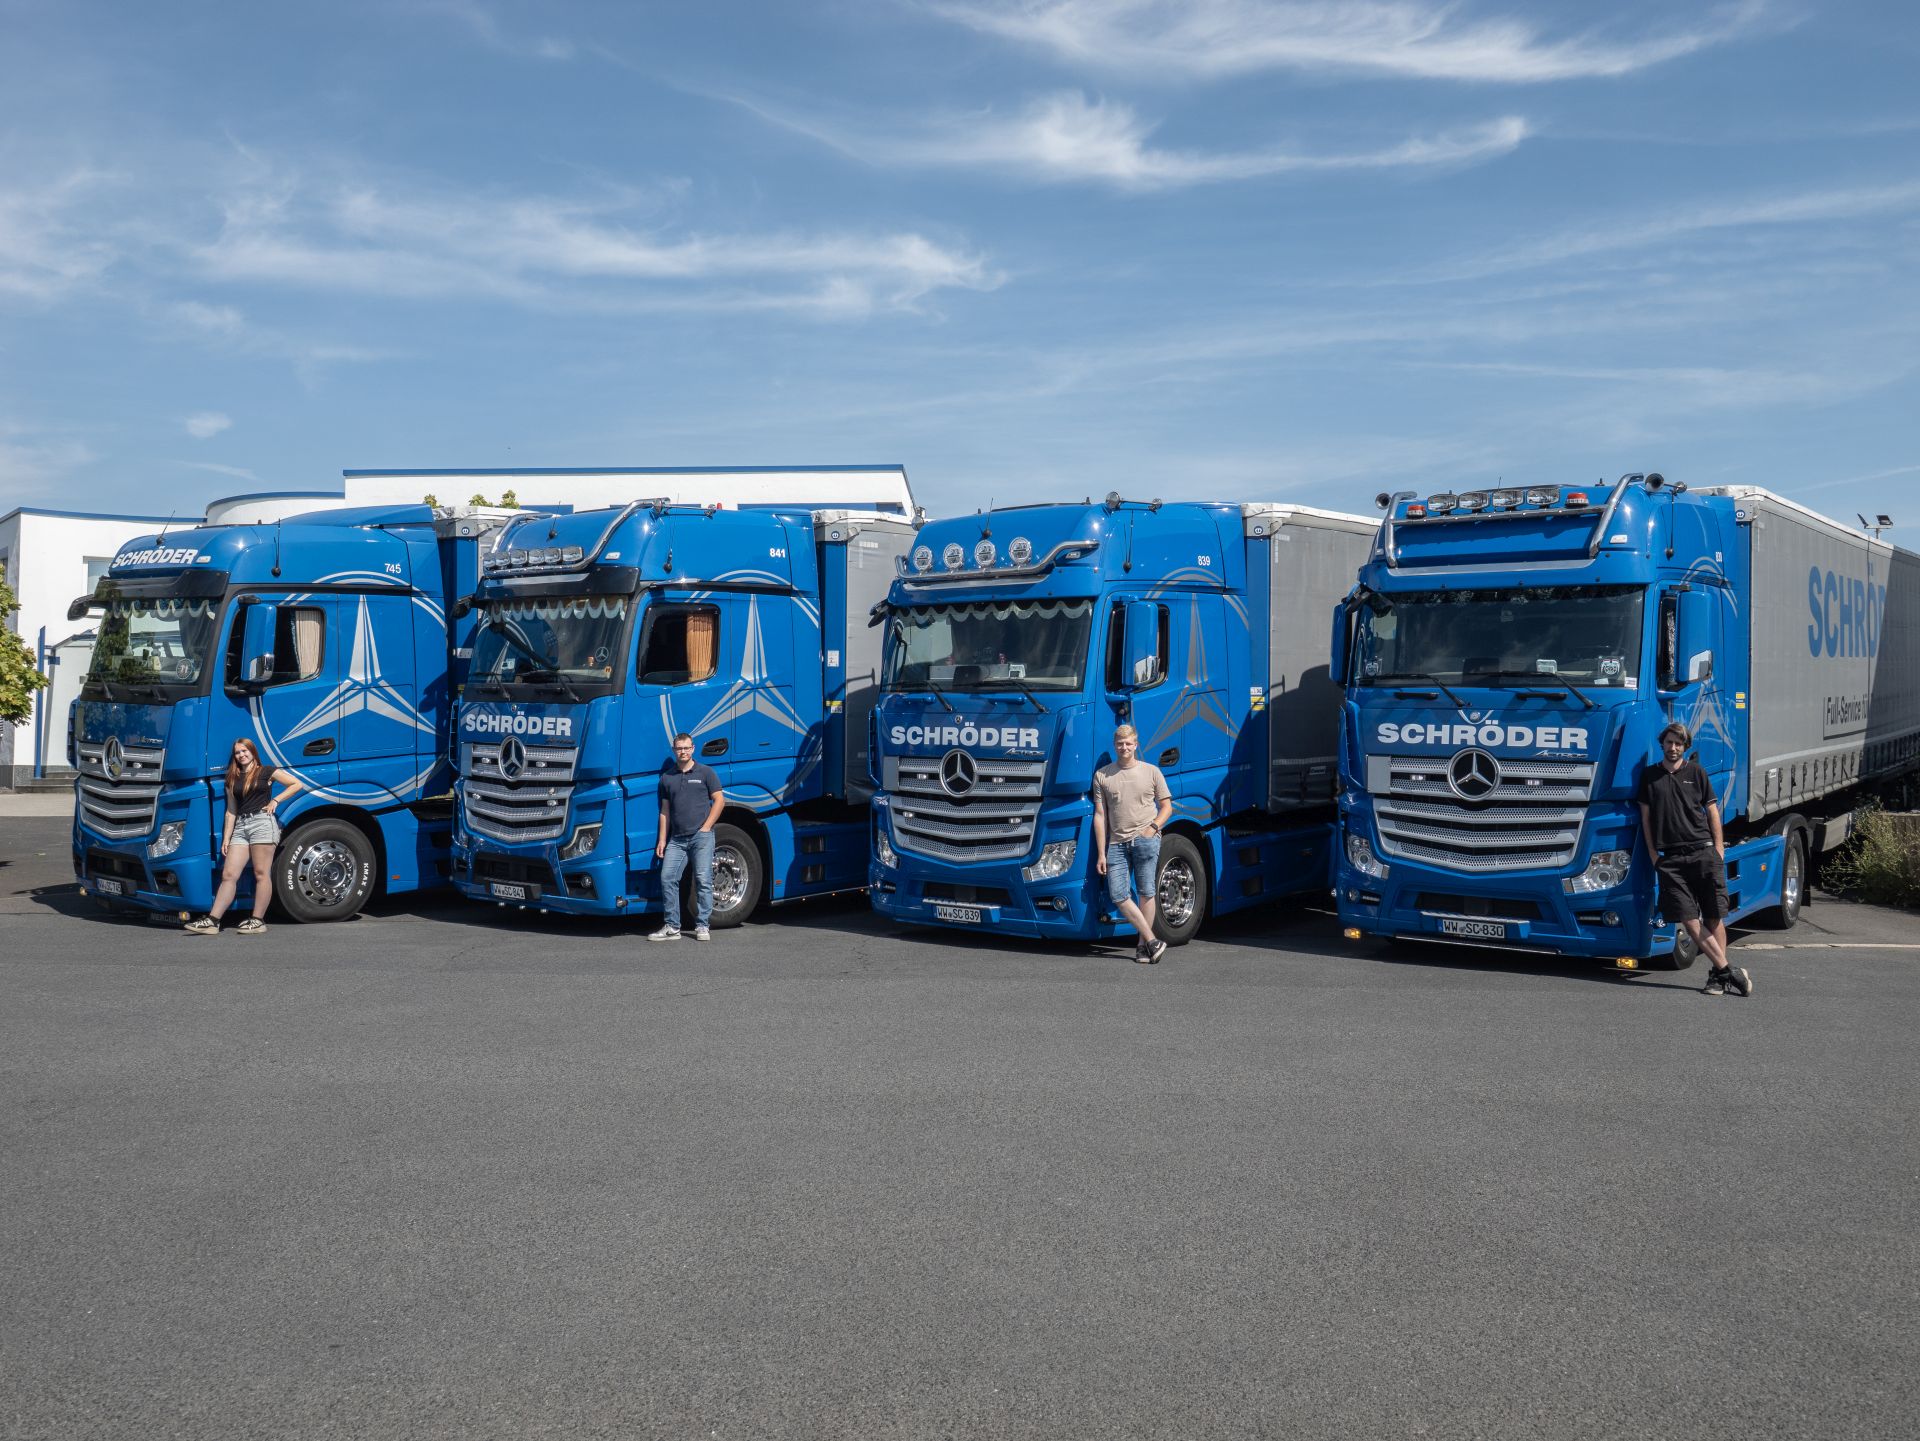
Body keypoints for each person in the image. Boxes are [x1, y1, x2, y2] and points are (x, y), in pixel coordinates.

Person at [1635, 722, 1753, 997]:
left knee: (1713, 918)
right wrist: (1654, 855)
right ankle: (1730, 971)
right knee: (1688, 920)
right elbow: (1646, 819)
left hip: (1703, 852)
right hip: (1671, 860)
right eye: (1669, 742)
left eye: (1678, 743)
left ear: (1685, 747)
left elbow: (1712, 811)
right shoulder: (1649, 776)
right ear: (1661, 744)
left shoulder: (1697, 772)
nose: (1673, 747)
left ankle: (1717, 977)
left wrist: (1719, 849)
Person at [185, 737, 304, 935]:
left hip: (262, 823)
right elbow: (231, 811)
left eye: (244, 751)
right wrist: (226, 838)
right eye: (238, 752)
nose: (241, 755)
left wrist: (276, 800)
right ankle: (213, 921)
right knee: (229, 875)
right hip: (241, 826)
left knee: (260, 873)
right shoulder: (232, 778)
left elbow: (295, 784)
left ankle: (257, 921)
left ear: (252, 751)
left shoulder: (266, 771)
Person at [1093, 723, 1174, 964]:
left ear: (1136, 744)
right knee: (1118, 894)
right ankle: (1152, 940)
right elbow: (1100, 816)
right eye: (1120, 744)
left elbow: (1167, 807)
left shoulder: (1152, 771)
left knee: (1145, 892)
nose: (1124, 747)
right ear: (1114, 745)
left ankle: (1142, 947)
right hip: (1116, 843)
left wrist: (1152, 829)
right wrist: (1101, 853)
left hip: (1145, 839)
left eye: (1129, 743)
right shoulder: (1102, 775)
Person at [649, 732, 725, 942]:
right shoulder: (666, 778)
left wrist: (706, 828)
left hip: (701, 837)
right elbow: (664, 811)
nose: (682, 752)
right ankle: (673, 926)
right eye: (678, 748)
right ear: (674, 751)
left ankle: (702, 926)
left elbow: (719, 801)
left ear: (693, 748)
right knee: (667, 878)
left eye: (686, 748)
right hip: (677, 840)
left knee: (703, 880)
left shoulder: (706, 772)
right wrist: (662, 840)